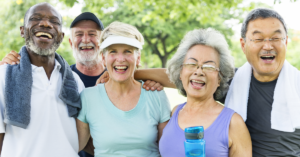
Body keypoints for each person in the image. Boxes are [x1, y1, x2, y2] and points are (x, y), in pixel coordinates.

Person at [128, 8, 300, 156]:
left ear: (285, 41)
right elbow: (187, 77)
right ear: (243, 44)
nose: (268, 46)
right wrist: (129, 75)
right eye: (258, 38)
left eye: (276, 38)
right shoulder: (237, 83)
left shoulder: (296, 87)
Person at [0, 2, 84, 157]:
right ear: (22, 31)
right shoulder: (4, 76)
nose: (45, 23)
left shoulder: (76, 82)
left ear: (61, 36)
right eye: (36, 18)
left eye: (54, 22)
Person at [76, 21, 171, 157]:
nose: (120, 59)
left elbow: (168, 150)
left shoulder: (156, 95)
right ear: (103, 58)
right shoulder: (88, 98)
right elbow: (75, 145)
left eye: (128, 51)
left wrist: (133, 74)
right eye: (113, 52)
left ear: (138, 58)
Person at [158, 28, 251, 156]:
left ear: (219, 78)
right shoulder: (174, 112)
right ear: (181, 72)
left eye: (209, 66)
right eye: (191, 64)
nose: (199, 72)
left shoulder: (233, 123)